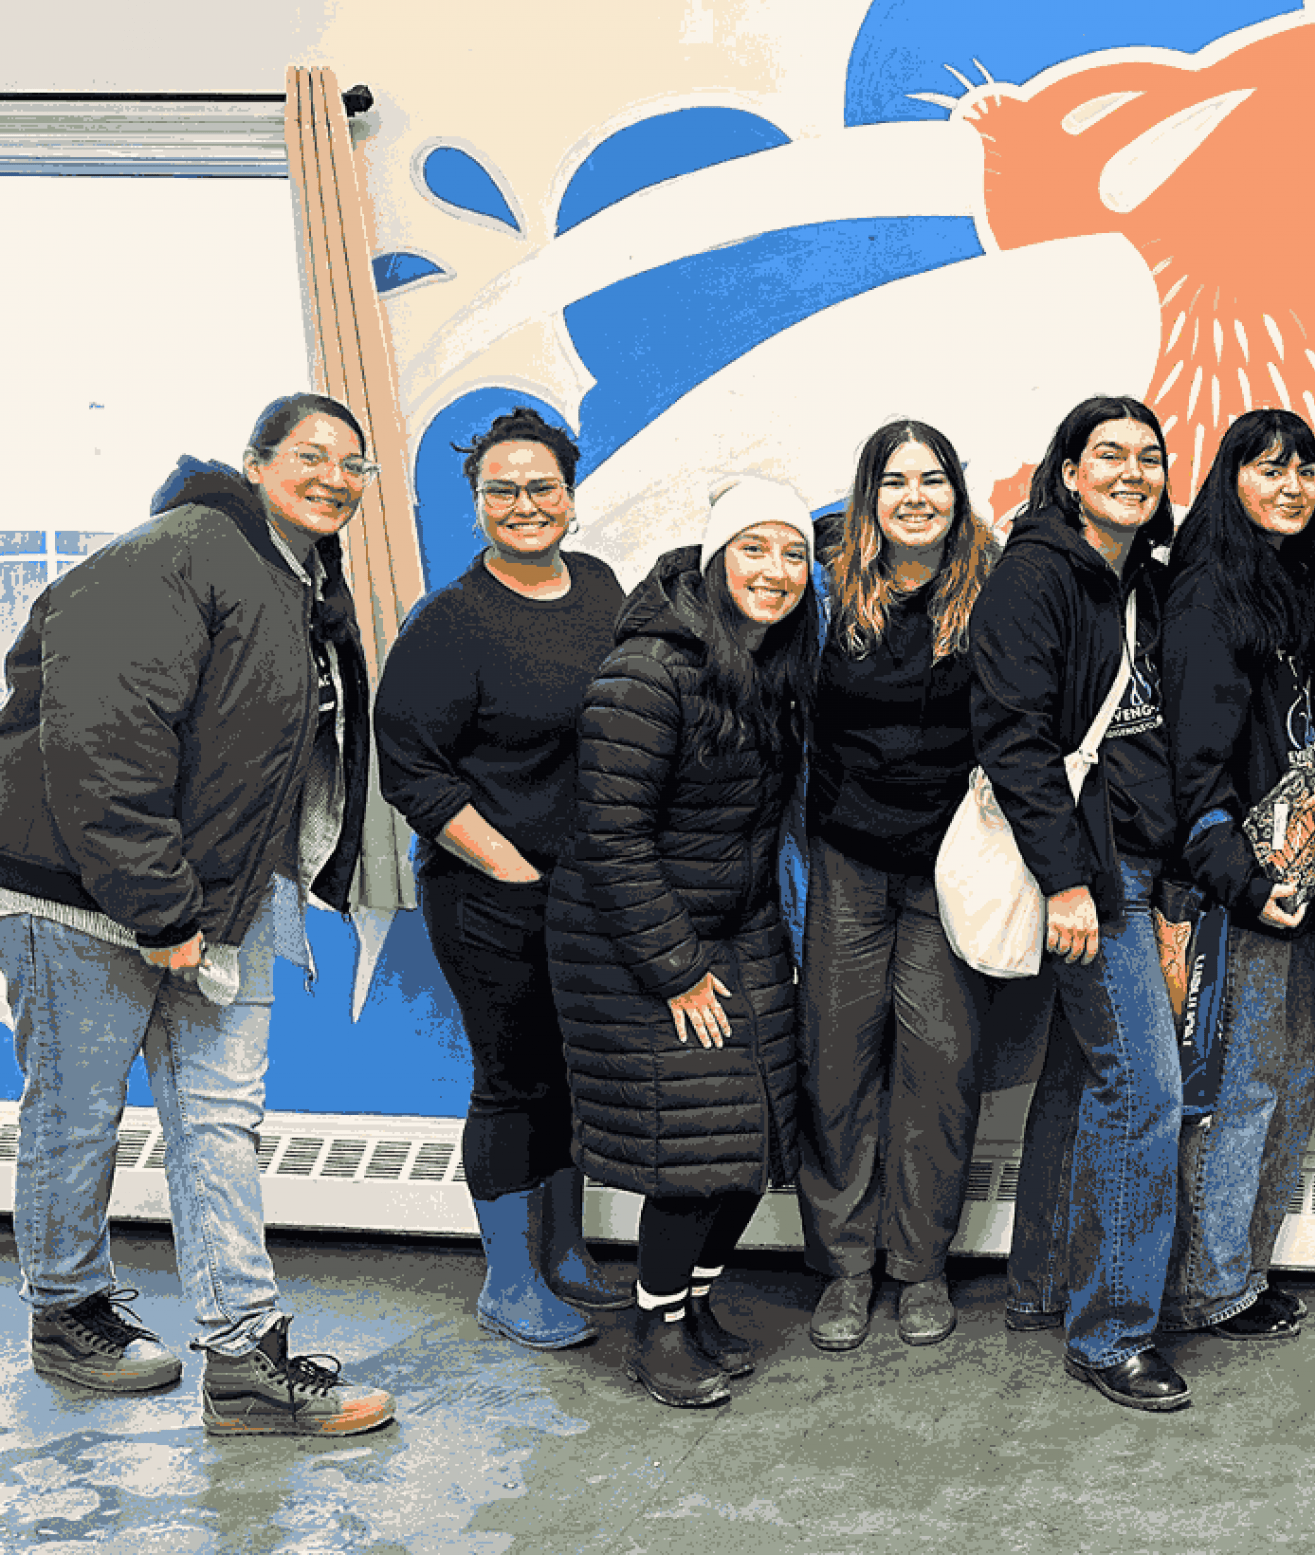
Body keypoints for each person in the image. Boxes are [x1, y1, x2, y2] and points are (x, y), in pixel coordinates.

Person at [0, 392, 395, 1436]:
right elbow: (99, 735)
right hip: (85, 893)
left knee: (220, 1123)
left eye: (355, 466)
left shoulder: (301, 581)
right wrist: (160, 906)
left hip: (223, 894)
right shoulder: (179, 550)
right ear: (256, 462)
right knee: (76, 1114)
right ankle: (66, 1312)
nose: (334, 477)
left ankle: (244, 1359)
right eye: (310, 456)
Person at [546, 479, 819, 1411]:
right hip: (636, 941)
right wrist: (675, 970)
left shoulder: (772, 666)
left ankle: (692, 1306)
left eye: (793, 554)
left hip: (736, 928)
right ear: (714, 557)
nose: (776, 571)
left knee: (757, 1136)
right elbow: (611, 836)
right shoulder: (650, 670)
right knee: (697, 1148)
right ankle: (653, 1329)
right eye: (755, 549)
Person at [375, 408, 632, 1353]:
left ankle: (565, 1257)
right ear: (477, 503)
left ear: (570, 492)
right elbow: (411, 766)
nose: (525, 505)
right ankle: (510, 1281)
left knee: (569, 1072)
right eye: (502, 491)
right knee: (512, 1077)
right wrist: (514, 867)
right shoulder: (452, 622)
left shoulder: (602, 587)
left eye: (542, 487)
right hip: (489, 891)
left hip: (588, 892)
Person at [975, 396, 1186, 1411]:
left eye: (1149, 457)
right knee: (1146, 1093)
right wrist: (1069, 882)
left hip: (1132, 863)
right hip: (1088, 875)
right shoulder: (1037, 573)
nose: (1132, 471)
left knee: (1084, 1081)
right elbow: (1014, 739)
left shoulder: (1131, 576)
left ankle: (1042, 1282)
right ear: (1068, 471)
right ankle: (1111, 1336)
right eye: (1110, 455)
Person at [797, 420, 997, 1352]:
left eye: (934, 479)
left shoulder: (992, 586)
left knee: (941, 1068)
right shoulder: (825, 581)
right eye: (895, 480)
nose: (915, 496)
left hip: (950, 863)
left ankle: (920, 1266)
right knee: (837, 1059)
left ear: (957, 493)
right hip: (847, 855)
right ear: (868, 493)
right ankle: (845, 1268)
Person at [1160, 409, 1315, 1346]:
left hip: (1303, 868)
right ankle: (1210, 1285)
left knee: (1304, 1066)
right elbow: (1195, 769)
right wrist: (1241, 880)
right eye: (1269, 468)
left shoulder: (1296, 583)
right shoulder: (1206, 595)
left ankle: (1241, 1266)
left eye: (1305, 469)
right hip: (1246, 884)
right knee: (1244, 1083)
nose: (1291, 486)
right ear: (1230, 480)